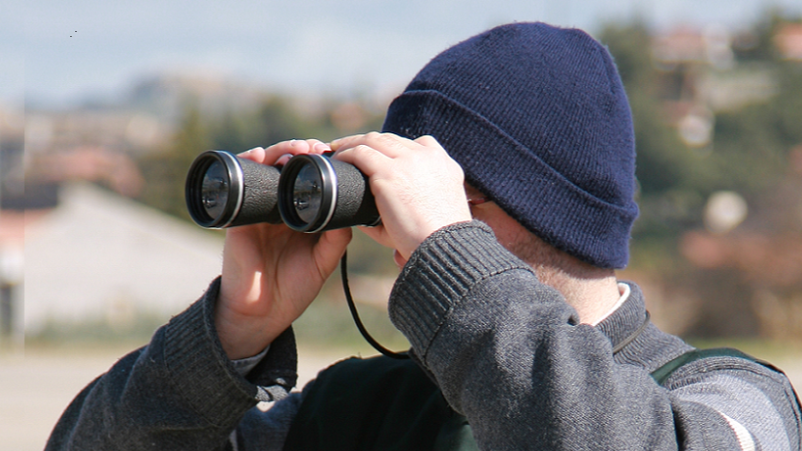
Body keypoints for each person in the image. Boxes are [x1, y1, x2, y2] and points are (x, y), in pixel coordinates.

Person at [46, 22, 801, 451]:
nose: (398, 227)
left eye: (436, 195)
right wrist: (227, 339)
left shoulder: (732, 395)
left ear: (539, 205)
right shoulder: (355, 413)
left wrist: (455, 263)